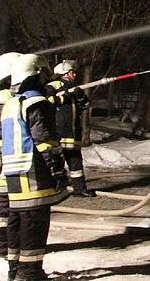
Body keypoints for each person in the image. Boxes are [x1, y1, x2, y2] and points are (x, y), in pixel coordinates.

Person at [1, 54, 69, 280]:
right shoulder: (36, 103)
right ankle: (30, 273)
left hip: (13, 174)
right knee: (34, 224)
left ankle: (15, 270)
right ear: (36, 73)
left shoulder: (11, 104)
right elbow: (45, 140)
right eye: (43, 73)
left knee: (17, 222)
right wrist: (58, 170)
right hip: (33, 173)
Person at [0, 52, 21, 277]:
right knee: (5, 206)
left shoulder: (5, 95)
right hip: (5, 162)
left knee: (6, 205)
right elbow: (3, 135)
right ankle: (2, 247)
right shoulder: (1, 100)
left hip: (7, 161)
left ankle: (4, 247)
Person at [48, 60, 95, 197]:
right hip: (58, 131)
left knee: (75, 161)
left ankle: (79, 189)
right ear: (64, 73)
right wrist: (65, 96)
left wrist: (81, 97)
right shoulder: (53, 86)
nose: (74, 74)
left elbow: (85, 105)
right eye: (72, 72)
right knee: (56, 161)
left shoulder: (74, 87)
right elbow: (47, 101)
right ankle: (56, 187)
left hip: (73, 131)